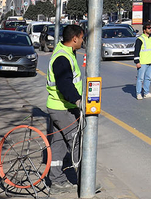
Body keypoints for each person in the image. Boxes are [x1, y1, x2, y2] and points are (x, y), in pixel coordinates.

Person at [45, 24, 85, 195]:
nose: (83, 41)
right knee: (76, 141)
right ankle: (85, 181)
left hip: (58, 106)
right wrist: (77, 100)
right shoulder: (62, 57)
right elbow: (64, 84)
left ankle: (56, 181)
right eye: (82, 38)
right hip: (63, 108)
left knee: (59, 145)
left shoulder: (66, 52)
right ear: (74, 38)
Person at [133, 24, 151, 100]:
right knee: (140, 79)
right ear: (144, 30)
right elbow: (136, 51)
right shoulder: (140, 39)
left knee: (148, 78)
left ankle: (146, 93)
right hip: (142, 62)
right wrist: (137, 62)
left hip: (150, 61)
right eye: (149, 28)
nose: (150, 29)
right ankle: (138, 93)